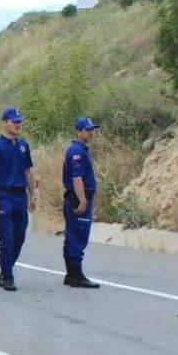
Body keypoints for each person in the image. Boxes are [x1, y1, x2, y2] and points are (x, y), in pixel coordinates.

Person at [0, 107, 36, 292]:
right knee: (7, 239)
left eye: (19, 121)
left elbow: (27, 171)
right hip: (3, 195)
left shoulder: (23, 145)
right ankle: (8, 277)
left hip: (20, 195)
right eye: (14, 121)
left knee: (19, 237)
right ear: (4, 123)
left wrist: (33, 195)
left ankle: (5, 270)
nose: (18, 124)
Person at [62, 117, 101, 288]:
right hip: (78, 198)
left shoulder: (79, 150)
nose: (90, 133)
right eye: (87, 130)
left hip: (76, 197)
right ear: (78, 132)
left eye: (92, 129)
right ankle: (76, 275)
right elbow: (77, 178)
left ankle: (71, 274)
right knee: (78, 237)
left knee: (73, 237)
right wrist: (83, 200)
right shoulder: (77, 152)